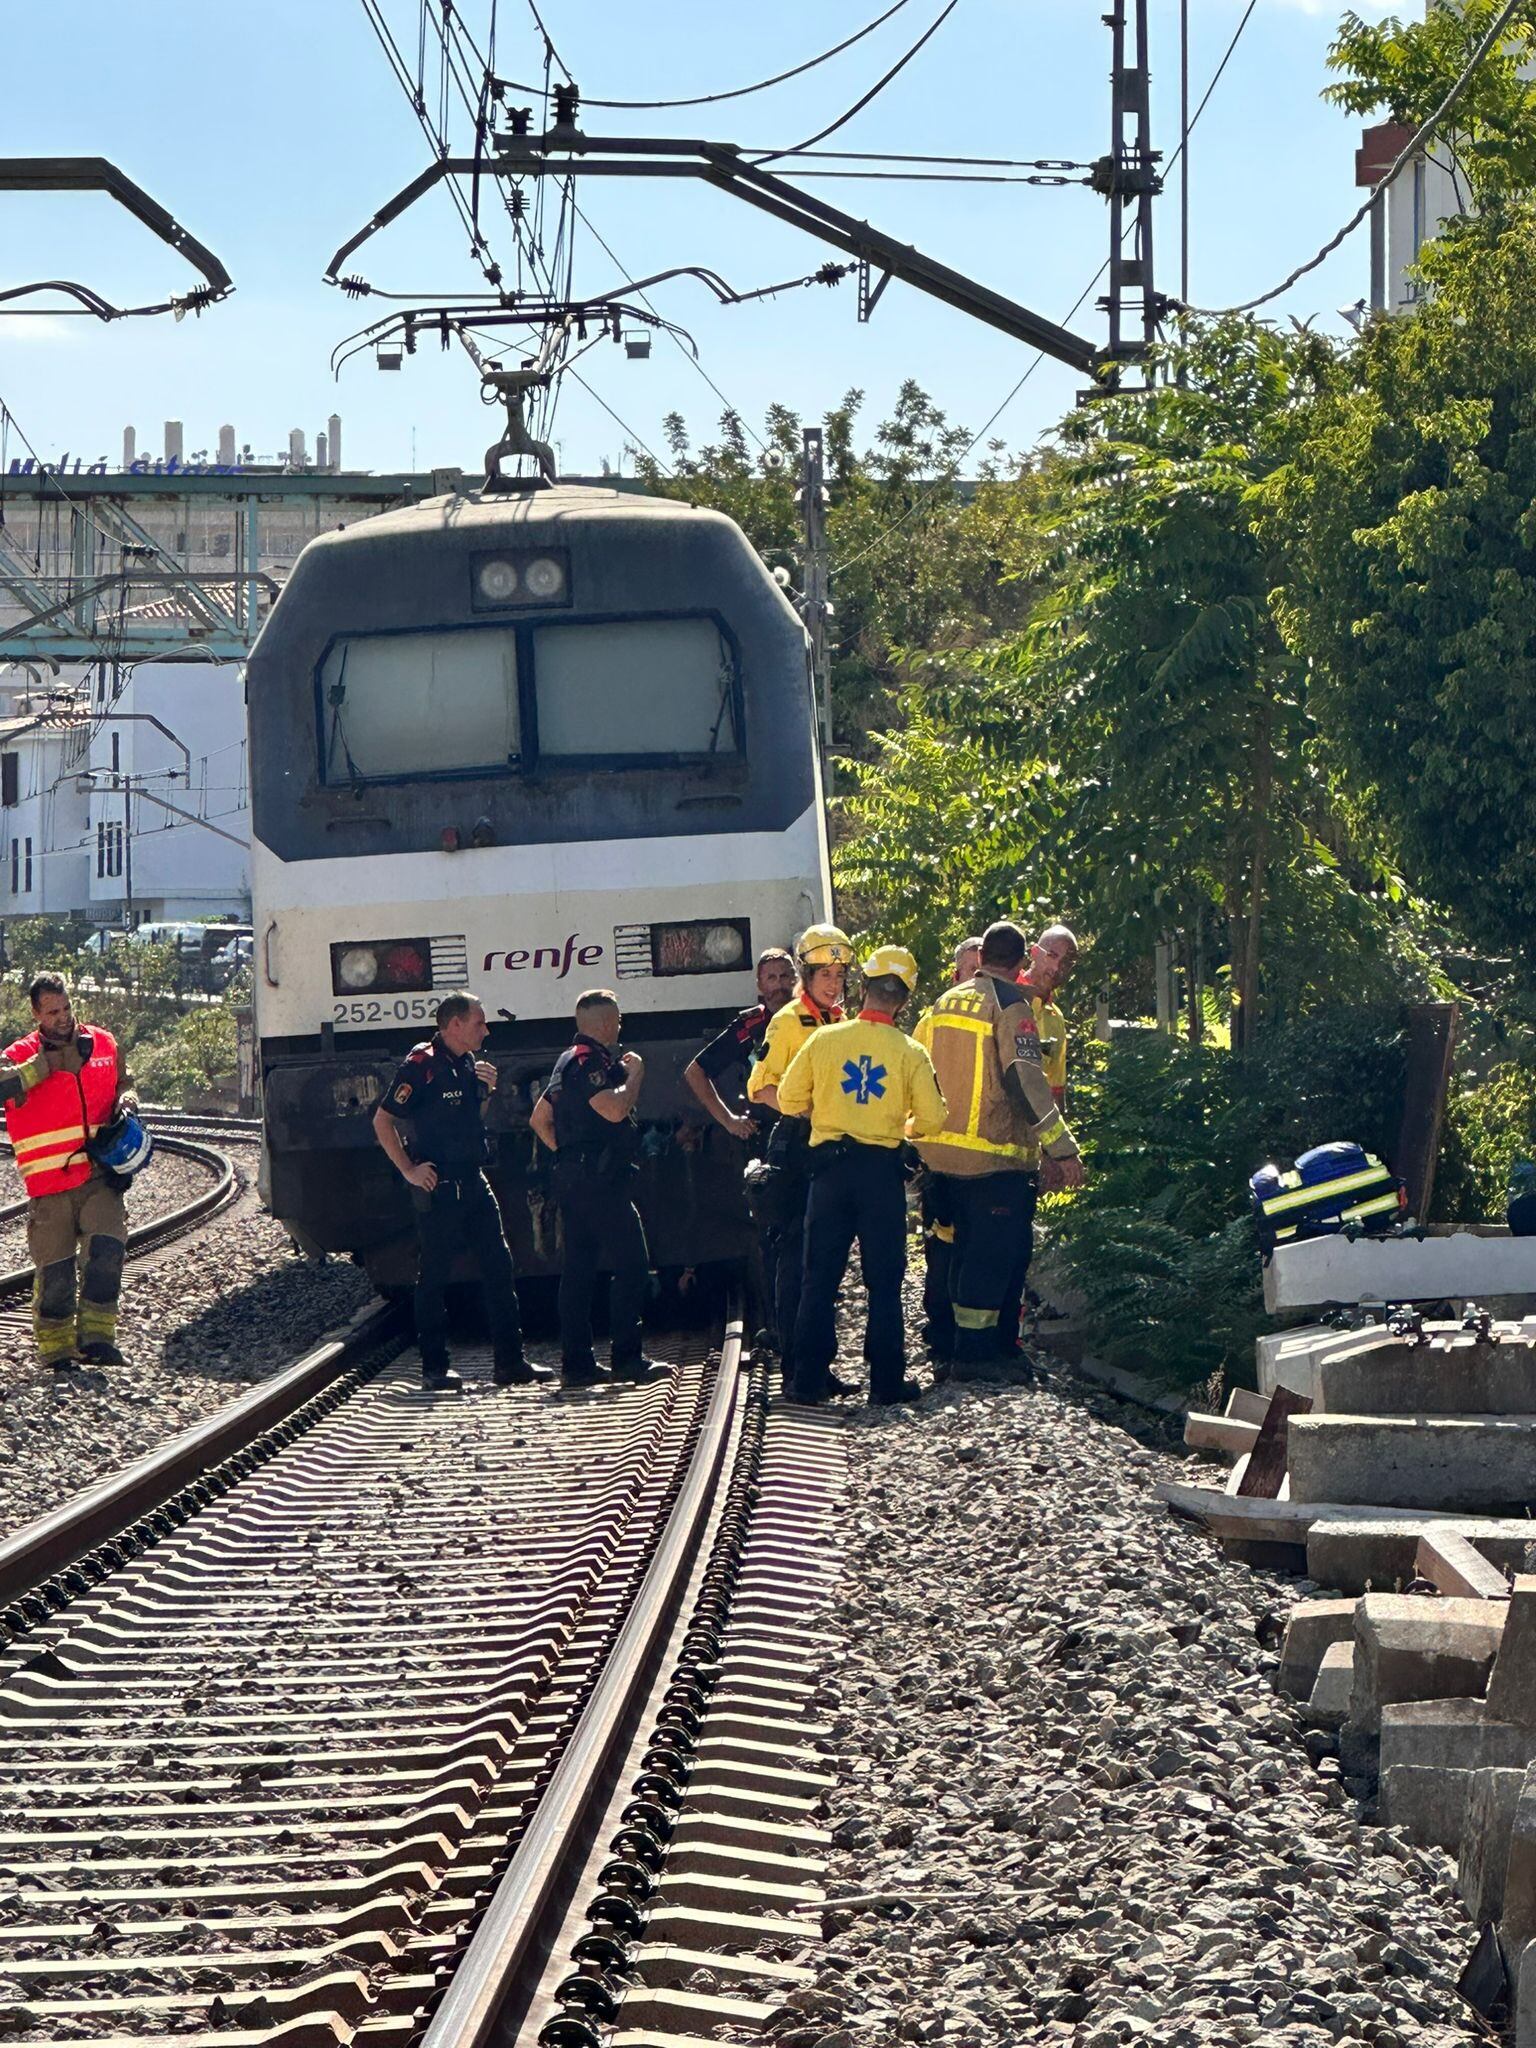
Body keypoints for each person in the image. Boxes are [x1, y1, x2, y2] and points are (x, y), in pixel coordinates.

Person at [778, 946, 946, 1405]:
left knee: (818, 1279)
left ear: (863, 988)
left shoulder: (824, 1040)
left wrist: (829, 1113)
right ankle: (887, 1384)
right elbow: (933, 1119)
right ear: (904, 1000)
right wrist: (900, 1126)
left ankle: (808, 1381)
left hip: (829, 1174)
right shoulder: (910, 1051)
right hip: (880, 1177)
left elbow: (791, 1100)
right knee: (885, 1281)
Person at [914, 921, 1084, 1374]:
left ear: (983, 954)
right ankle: (976, 1355)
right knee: (990, 1260)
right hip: (992, 1159)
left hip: (938, 1157)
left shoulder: (944, 1001)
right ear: (1023, 961)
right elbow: (1026, 1081)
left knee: (951, 1253)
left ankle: (950, 1345)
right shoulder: (1011, 1005)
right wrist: (1062, 1149)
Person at [374, 991, 549, 1394]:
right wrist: (409, 1170)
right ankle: (435, 1368)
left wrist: (485, 1092)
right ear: (454, 1025)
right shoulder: (421, 1065)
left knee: (500, 1268)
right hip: (440, 1185)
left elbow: (469, 1120)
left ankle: (510, 1361)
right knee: (434, 1276)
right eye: (478, 1023)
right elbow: (384, 1121)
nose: (485, 1030)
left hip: (474, 1180)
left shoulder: (467, 1063)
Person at [0, 972, 138, 1369]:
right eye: (52, 1012)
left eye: (66, 1008)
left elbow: (124, 1083)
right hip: (49, 1185)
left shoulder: (104, 1043)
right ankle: (57, 1351)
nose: (62, 1018)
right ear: (35, 1014)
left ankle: (98, 1340)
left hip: (100, 1176)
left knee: (107, 1254)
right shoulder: (18, 1054)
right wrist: (43, 1067)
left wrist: (128, 1102)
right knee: (56, 1274)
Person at [531, 989, 664, 1389]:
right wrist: (637, 1073)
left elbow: (539, 1120)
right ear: (605, 1024)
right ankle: (627, 1357)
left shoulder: (565, 1061)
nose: (620, 1026)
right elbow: (613, 1109)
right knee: (633, 1264)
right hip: (600, 1183)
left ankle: (577, 1363)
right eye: (617, 1020)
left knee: (579, 1271)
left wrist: (568, 1155)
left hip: (576, 1179)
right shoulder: (590, 1063)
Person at [745, 923, 853, 1383]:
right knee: (796, 1260)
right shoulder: (788, 1021)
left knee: (826, 1260)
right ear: (805, 976)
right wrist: (805, 1109)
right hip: (797, 1147)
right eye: (824, 974)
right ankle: (796, 1364)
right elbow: (759, 1087)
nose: (833, 983)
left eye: (838, 974)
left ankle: (818, 1365)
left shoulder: (843, 1021)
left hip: (833, 1149)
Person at [683, 946, 796, 1343]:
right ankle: (778, 1327)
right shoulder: (749, 1027)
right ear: (759, 986)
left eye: (786, 976)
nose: (780, 985)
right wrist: (729, 1121)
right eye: (772, 978)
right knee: (770, 1237)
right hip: (765, 1140)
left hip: (811, 1136)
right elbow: (696, 1071)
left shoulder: (815, 1018)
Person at [1001, 923, 1080, 1341]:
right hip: (996, 1139)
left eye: (1068, 960)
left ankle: (1010, 1336)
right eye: (1054, 954)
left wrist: (1057, 1152)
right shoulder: (1005, 998)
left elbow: (1055, 1089)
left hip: (1030, 1149)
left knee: (1018, 1245)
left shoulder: (1055, 1019)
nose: (1059, 965)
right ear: (1033, 952)